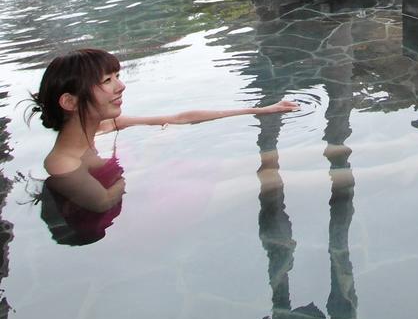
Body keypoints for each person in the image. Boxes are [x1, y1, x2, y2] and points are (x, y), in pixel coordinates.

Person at [28, 48, 298, 230]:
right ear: (69, 101)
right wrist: (151, 154)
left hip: (155, 182)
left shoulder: (105, 126)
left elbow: (179, 118)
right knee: (265, 178)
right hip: (142, 214)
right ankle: (338, 174)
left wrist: (262, 110)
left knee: (264, 160)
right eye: (107, 80)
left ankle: (335, 158)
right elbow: (103, 202)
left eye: (118, 77)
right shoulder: (62, 163)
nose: (121, 86)